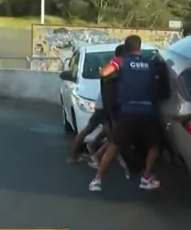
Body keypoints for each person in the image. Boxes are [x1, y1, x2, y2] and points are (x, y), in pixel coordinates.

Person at [89, 35, 161, 192]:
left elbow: (104, 73)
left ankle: (97, 180)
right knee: (155, 145)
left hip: (127, 111)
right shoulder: (149, 63)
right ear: (139, 47)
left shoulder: (121, 61)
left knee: (114, 145)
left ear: (126, 47)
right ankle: (146, 177)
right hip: (147, 111)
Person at [67, 44, 126, 164]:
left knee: (98, 131)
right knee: (111, 135)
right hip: (106, 106)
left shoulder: (114, 63)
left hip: (103, 104)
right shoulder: (118, 63)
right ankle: (92, 156)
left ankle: (88, 152)